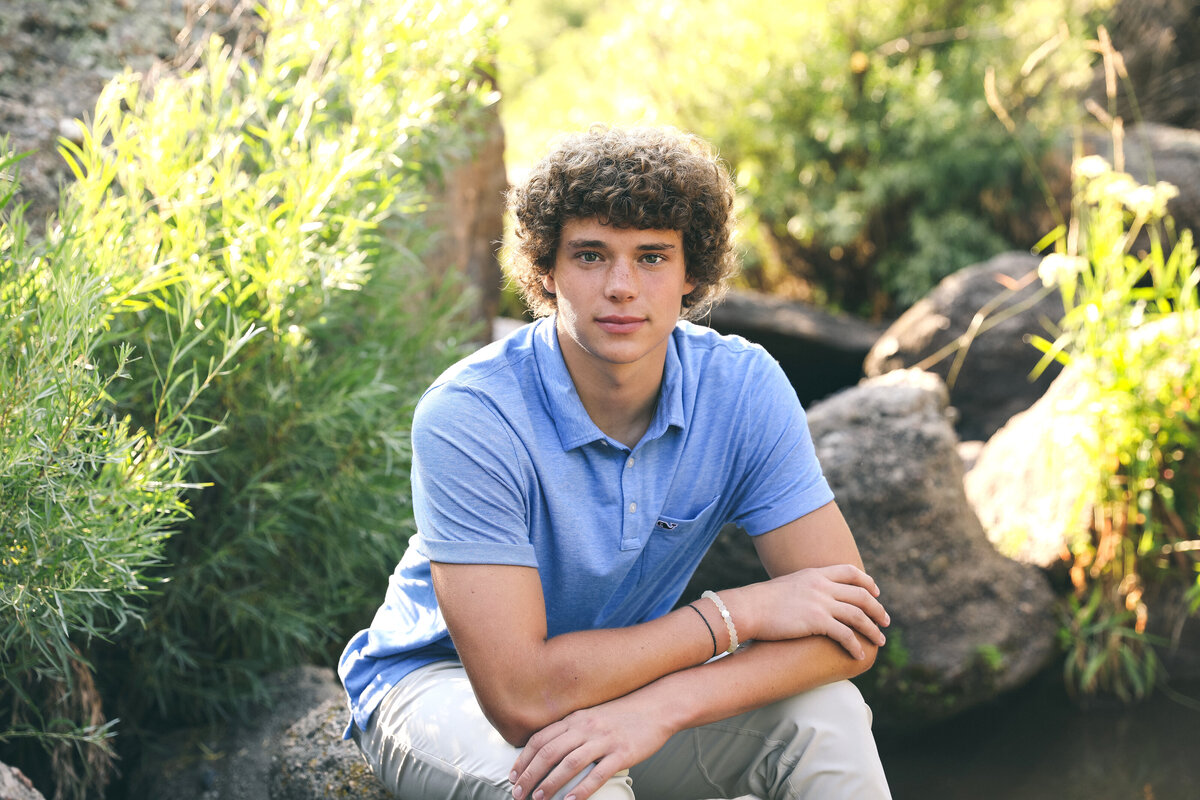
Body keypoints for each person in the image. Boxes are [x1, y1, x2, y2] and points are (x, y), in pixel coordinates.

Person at [338, 125, 893, 800]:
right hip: (439, 688)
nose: (622, 287)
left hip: (622, 685)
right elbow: (519, 695)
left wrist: (657, 709)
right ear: (547, 268)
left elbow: (851, 635)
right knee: (579, 784)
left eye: (653, 257)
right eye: (592, 255)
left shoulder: (742, 387)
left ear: (693, 274)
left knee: (826, 716)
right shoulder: (471, 413)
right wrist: (737, 614)